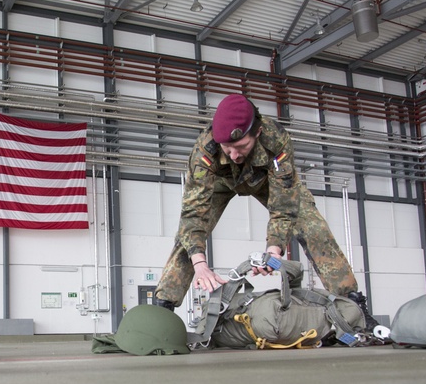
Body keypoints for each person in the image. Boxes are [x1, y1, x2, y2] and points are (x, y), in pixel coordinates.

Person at [153, 93, 376, 330]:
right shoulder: (204, 150)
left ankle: (353, 306)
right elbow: (193, 213)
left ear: (256, 133)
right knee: (187, 238)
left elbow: (284, 204)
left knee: (313, 226)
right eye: (227, 149)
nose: (235, 155)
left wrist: (274, 248)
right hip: (220, 181)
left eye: (241, 146)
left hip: (266, 180)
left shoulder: (275, 139)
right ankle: (161, 310)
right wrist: (200, 264)